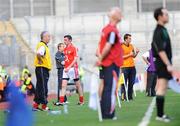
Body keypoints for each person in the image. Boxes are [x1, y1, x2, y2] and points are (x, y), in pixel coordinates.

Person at [96, 7, 123, 119]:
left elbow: (100, 46)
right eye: (120, 13)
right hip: (111, 63)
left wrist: (100, 59)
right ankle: (109, 114)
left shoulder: (105, 29)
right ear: (114, 16)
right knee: (111, 89)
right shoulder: (112, 30)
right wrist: (100, 59)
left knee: (107, 88)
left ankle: (105, 113)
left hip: (108, 63)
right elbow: (107, 46)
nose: (122, 15)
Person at [151, 7, 174, 122]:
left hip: (163, 63)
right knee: (162, 87)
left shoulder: (163, 30)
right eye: (166, 14)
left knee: (163, 88)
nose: (167, 16)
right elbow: (160, 50)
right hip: (162, 63)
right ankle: (160, 115)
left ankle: (161, 114)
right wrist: (168, 64)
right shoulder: (158, 31)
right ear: (159, 16)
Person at [59, 35, 84, 105]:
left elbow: (75, 59)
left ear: (70, 40)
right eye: (64, 40)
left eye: (66, 40)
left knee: (78, 85)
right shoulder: (65, 49)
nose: (64, 41)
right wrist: (63, 63)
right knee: (63, 85)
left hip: (73, 69)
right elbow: (66, 58)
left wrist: (69, 67)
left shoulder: (74, 48)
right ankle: (61, 101)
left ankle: (81, 100)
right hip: (66, 69)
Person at [33, 31, 52, 111]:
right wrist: (40, 60)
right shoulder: (42, 45)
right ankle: (44, 105)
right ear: (43, 37)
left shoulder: (44, 45)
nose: (49, 38)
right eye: (48, 36)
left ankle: (35, 105)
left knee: (39, 87)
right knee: (43, 87)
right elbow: (38, 54)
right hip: (42, 68)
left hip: (42, 68)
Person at [121, 34, 139, 100]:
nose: (130, 40)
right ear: (125, 39)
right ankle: (123, 96)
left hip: (132, 67)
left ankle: (129, 96)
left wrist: (136, 53)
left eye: (130, 38)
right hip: (124, 67)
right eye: (129, 38)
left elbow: (133, 56)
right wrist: (129, 55)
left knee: (132, 82)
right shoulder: (121, 46)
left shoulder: (131, 46)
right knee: (124, 83)